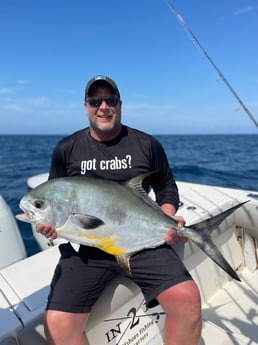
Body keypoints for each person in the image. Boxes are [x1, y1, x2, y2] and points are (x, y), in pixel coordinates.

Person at [37, 75, 202, 345]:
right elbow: (54, 198)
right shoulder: (66, 149)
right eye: (95, 101)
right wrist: (50, 227)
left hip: (140, 242)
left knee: (188, 302)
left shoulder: (146, 144)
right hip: (88, 248)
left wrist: (168, 215)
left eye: (110, 100)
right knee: (57, 325)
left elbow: (166, 186)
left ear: (120, 104)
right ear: (86, 105)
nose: (103, 106)